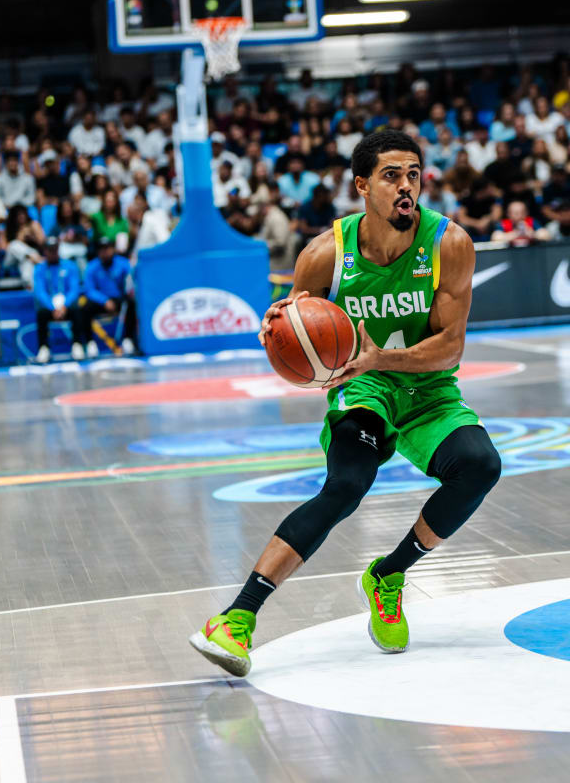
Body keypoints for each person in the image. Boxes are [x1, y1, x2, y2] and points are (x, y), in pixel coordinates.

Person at [189, 130, 501, 677]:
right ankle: (237, 617)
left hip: (426, 387)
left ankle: (389, 573)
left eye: (412, 174)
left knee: (481, 466)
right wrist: (276, 326)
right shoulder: (324, 254)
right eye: (391, 176)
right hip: (362, 388)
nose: (406, 186)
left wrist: (379, 357)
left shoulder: (450, 243)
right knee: (346, 485)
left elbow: (450, 347)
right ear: (362, 186)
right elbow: (292, 323)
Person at [32, 237, 86, 363]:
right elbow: (40, 292)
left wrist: (65, 305)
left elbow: (74, 289)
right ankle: (44, 347)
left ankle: (77, 344)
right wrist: (52, 307)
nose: (53, 253)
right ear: (45, 251)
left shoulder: (70, 266)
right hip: (50, 305)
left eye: (55, 249)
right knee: (41, 313)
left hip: (66, 305)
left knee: (77, 310)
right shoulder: (39, 269)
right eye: (49, 250)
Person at [81, 238, 136, 357]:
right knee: (85, 308)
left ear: (113, 249)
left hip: (118, 298)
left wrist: (128, 290)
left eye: (107, 248)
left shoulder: (123, 263)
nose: (105, 252)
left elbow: (131, 281)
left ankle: (128, 339)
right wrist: (104, 301)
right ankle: (90, 343)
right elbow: (89, 290)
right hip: (100, 301)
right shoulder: (92, 266)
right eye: (101, 249)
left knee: (131, 304)